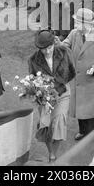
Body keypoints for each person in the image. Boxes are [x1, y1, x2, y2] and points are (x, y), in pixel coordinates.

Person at [62, 8, 94, 140]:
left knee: (91, 111)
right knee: (80, 108)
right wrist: (58, 44)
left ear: (87, 24)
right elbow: (65, 45)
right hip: (78, 79)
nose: (75, 25)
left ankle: (91, 136)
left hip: (92, 81)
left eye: (77, 22)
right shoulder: (74, 33)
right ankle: (83, 131)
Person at [28, 30, 76, 162]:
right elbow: (33, 80)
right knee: (47, 126)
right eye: (43, 49)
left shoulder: (64, 52)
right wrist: (41, 91)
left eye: (49, 48)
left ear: (54, 43)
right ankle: (50, 152)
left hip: (63, 93)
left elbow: (72, 72)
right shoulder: (33, 60)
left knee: (59, 122)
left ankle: (54, 153)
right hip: (45, 98)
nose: (47, 51)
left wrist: (57, 85)